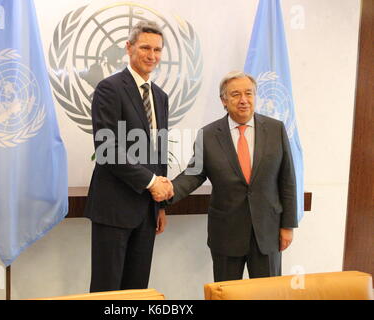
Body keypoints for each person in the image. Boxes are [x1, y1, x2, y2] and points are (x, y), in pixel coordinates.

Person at [165, 71, 298, 281]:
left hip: (267, 232)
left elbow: (288, 180)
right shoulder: (208, 135)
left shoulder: (276, 129)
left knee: (269, 295)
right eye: (235, 94)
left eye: (249, 93)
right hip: (226, 234)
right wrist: (168, 191)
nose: (243, 100)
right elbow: (194, 173)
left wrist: (288, 225)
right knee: (226, 295)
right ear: (223, 101)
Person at [84, 20, 173, 292]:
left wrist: (160, 205)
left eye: (157, 50)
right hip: (114, 208)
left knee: (137, 290)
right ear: (129, 47)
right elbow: (107, 148)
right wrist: (151, 182)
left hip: (146, 211)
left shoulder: (160, 96)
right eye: (145, 47)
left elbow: (158, 150)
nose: (151, 55)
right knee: (107, 289)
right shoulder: (110, 88)